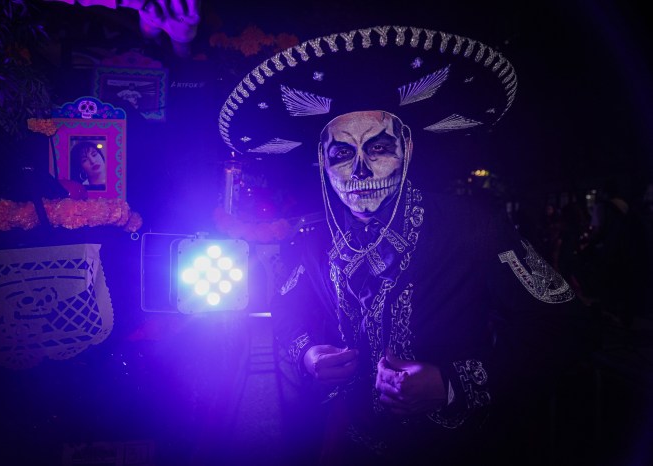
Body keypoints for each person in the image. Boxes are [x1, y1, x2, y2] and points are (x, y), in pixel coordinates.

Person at [218, 25, 596, 464]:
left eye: (377, 148)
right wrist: (307, 354)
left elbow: (566, 327)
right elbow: (286, 309)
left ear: (408, 148)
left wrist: (452, 384)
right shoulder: (314, 238)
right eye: (341, 154)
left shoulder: (472, 225)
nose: (359, 171)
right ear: (322, 161)